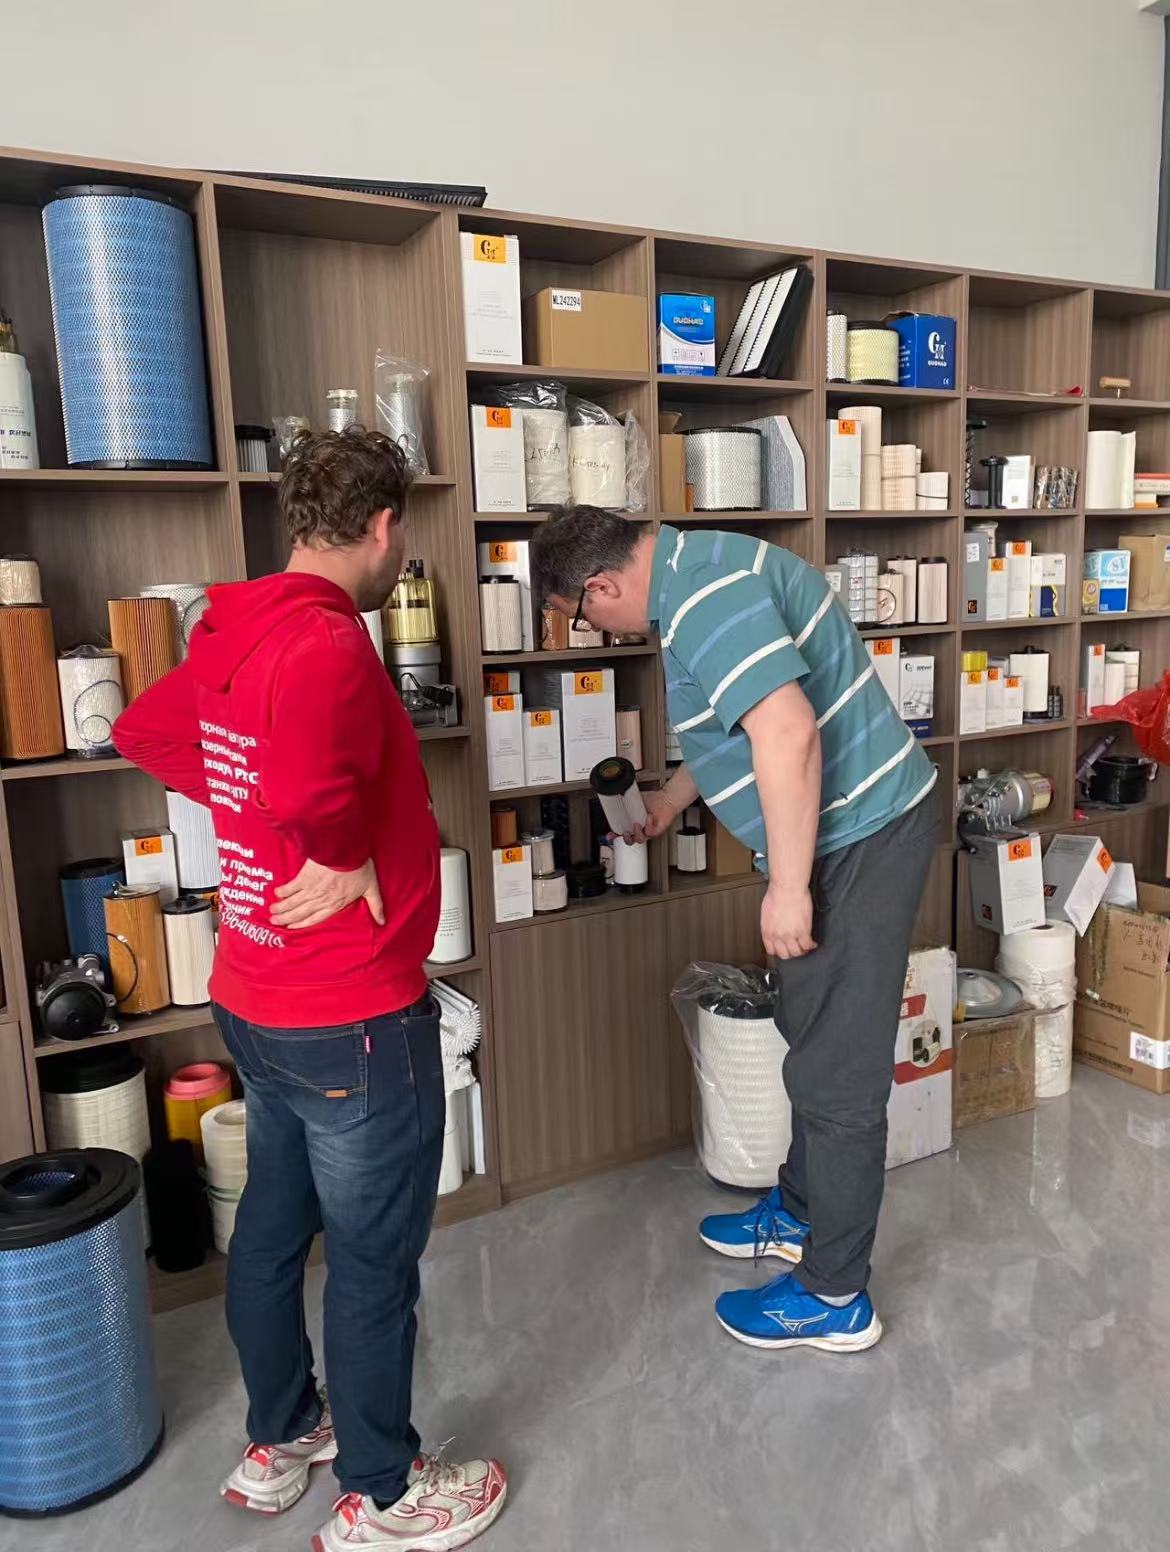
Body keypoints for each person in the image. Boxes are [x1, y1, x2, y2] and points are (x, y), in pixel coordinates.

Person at [114, 429, 506, 1551]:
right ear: (383, 527)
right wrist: (336, 850)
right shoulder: (330, 641)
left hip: (255, 998)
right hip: (352, 1016)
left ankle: (282, 1436)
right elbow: (301, 787)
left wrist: (255, 812)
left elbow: (145, 730)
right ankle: (383, 1493)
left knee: (273, 1232)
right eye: (402, 532)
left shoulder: (232, 628)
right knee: (373, 1263)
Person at [531, 506, 940, 1354]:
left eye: (583, 617)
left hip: (859, 836)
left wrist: (788, 887)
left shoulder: (704, 598)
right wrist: (671, 800)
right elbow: (741, 721)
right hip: (842, 832)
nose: (596, 630)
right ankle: (800, 1212)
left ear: (601, 585)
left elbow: (787, 733)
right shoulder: (695, 570)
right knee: (811, 1033)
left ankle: (834, 1296)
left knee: (837, 1071)